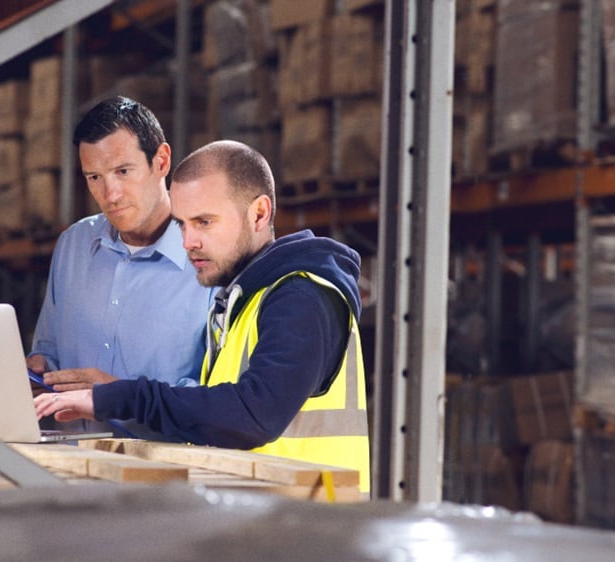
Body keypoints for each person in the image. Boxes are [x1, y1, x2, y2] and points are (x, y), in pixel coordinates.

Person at [34, 140, 371, 493]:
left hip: (310, 531)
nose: (188, 241)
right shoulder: (242, 302)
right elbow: (215, 417)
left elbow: (253, 415)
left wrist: (119, 396)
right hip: (268, 525)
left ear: (259, 213)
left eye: (204, 222)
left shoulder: (302, 297)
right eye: (182, 224)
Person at [27, 96, 212, 439]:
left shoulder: (209, 259)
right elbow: (48, 352)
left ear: (161, 161)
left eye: (123, 172)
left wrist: (119, 395)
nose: (109, 193)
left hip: (169, 476)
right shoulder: (73, 246)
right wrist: (39, 372)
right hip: (72, 467)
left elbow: (218, 400)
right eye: (94, 177)